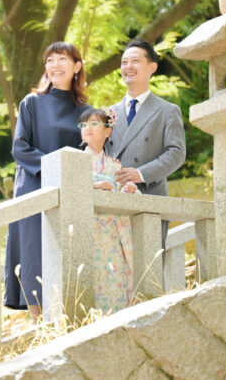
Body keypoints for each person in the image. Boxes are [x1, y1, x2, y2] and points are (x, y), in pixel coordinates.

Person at [5, 41, 91, 321]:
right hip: (33, 184)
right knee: (33, 252)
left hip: (70, 189)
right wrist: (52, 170)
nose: (55, 65)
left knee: (67, 247)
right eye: (50, 60)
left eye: (62, 59)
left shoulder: (86, 112)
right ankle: (37, 322)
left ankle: (66, 316)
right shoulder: (31, 103)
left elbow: (87, 151)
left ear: (77, 66)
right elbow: (20, 148)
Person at [105, 39, 186, 281]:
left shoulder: (167, 110)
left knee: (146, 274)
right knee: (113, 273)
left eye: (135, 60)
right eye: (124, 62)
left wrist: (140, 174)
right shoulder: (107, 113)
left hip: (150, 197)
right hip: (112, 202)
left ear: (152, 67)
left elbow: (176, 153)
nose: (128, 66)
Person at [78, 108, 138, 313]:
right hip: (89, 228)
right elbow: (70, 190)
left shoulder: (114, 164)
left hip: (113, 231)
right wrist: (94, 186)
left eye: (94, 123)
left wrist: (129, 189)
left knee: (115, 274)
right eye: (84, 125)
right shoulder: (76, 162)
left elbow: (123, 191)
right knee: (94, 274)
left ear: (107, 131)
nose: (88, 128)